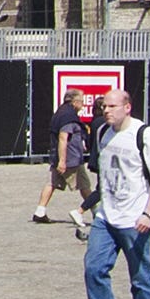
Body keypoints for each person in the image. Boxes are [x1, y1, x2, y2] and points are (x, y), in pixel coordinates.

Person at [81, 89, 150, 299]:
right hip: (107, 215)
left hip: (134, 216)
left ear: (127, 107)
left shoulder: (144, 134)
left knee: (141, 276)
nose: (107, 111)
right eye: (104, 106)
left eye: (112, 106)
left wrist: (148, 212)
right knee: (94, 268)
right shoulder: (102, 133)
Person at [33, 89, 95, 228]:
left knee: (51, 183)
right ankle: (96, 213)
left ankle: (40, 211)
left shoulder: (60, 113)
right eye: (82, 101)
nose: (83, 105)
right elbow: (63, 138)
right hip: (70, 159)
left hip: (59, 157)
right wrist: (62, 161)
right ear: (75, 102)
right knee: (85, 186)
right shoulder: (68, 117)